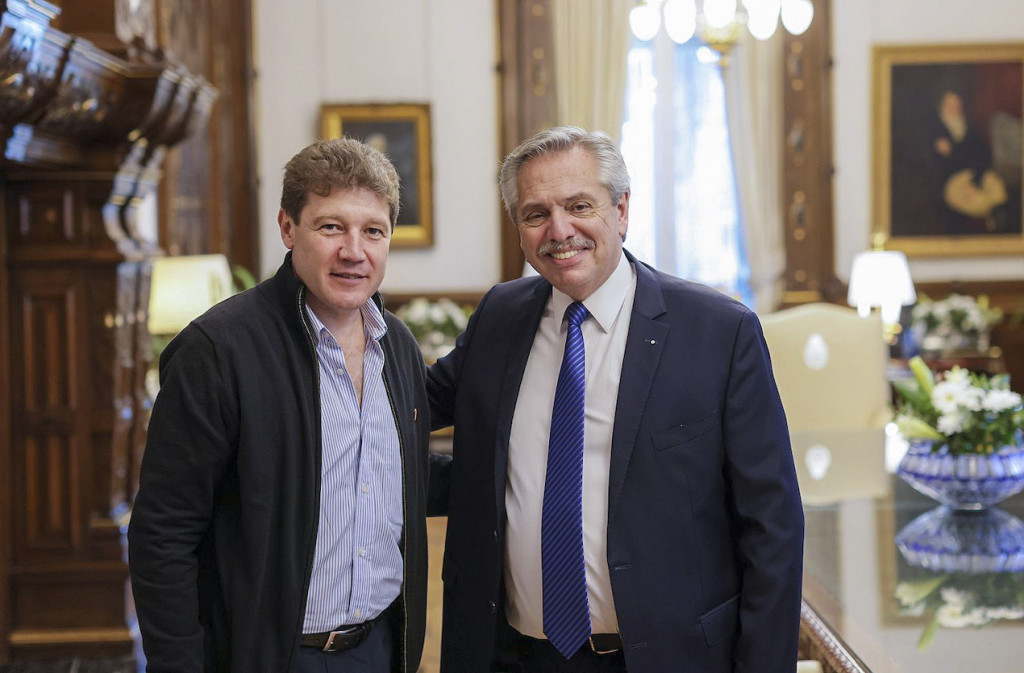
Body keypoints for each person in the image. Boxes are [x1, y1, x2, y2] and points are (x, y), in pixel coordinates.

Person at [427, 126, 803, 673]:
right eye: (536, 214)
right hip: (510, 655)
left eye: (580, 205)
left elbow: (773, 527)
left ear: (621, 210)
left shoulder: (718, 333)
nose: (560, 230)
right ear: (518, 228)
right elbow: (408, 409)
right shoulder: (499, 318)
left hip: (665, 658)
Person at [128, 138, 434, 673]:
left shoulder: (399, 346)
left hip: (383, 647)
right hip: (270, 654)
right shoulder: (217, 351)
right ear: (288, 228)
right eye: (331, 226)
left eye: (373, 231)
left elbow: (397, 475)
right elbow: (163, 532)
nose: (354, 251)